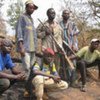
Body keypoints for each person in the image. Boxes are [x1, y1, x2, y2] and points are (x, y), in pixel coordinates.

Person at [37, 8, 63, 73]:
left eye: (54, 13)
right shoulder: (43, 25)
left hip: (56, 50)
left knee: (56, 67)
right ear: (47, 14)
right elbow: (36, 34)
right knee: (46, 68)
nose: (53, 14)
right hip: (47, 51)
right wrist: (45, 33)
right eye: (51, 13)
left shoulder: (58, 25)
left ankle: (56, 81)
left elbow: (60, 37)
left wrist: (61, 47)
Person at [16, 0, 38, 78]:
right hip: (25, 49)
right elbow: (19, 33)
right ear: (26, 8)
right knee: (26, 68)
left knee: (32, 68)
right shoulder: (22, 17)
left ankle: (29, 86)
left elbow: (34, 35)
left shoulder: (31, 19)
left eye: (33, 8)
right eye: (30, 8)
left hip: (32, 49)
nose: (32, 10)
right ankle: (24, 87)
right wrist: (21, 47)